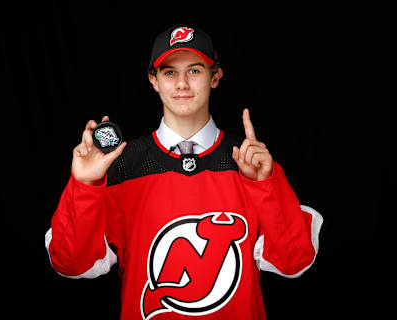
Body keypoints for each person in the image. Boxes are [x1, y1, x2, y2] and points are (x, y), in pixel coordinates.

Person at [45, 25, 323, 320]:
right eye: (169, 72)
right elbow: (70, 263)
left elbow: (294, 261)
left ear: (215, 77)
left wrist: (266, 185)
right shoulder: (123, 165)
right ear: (153, 80)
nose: (181, 84)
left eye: (194, 71)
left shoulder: (250, 162)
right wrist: (85, 185)